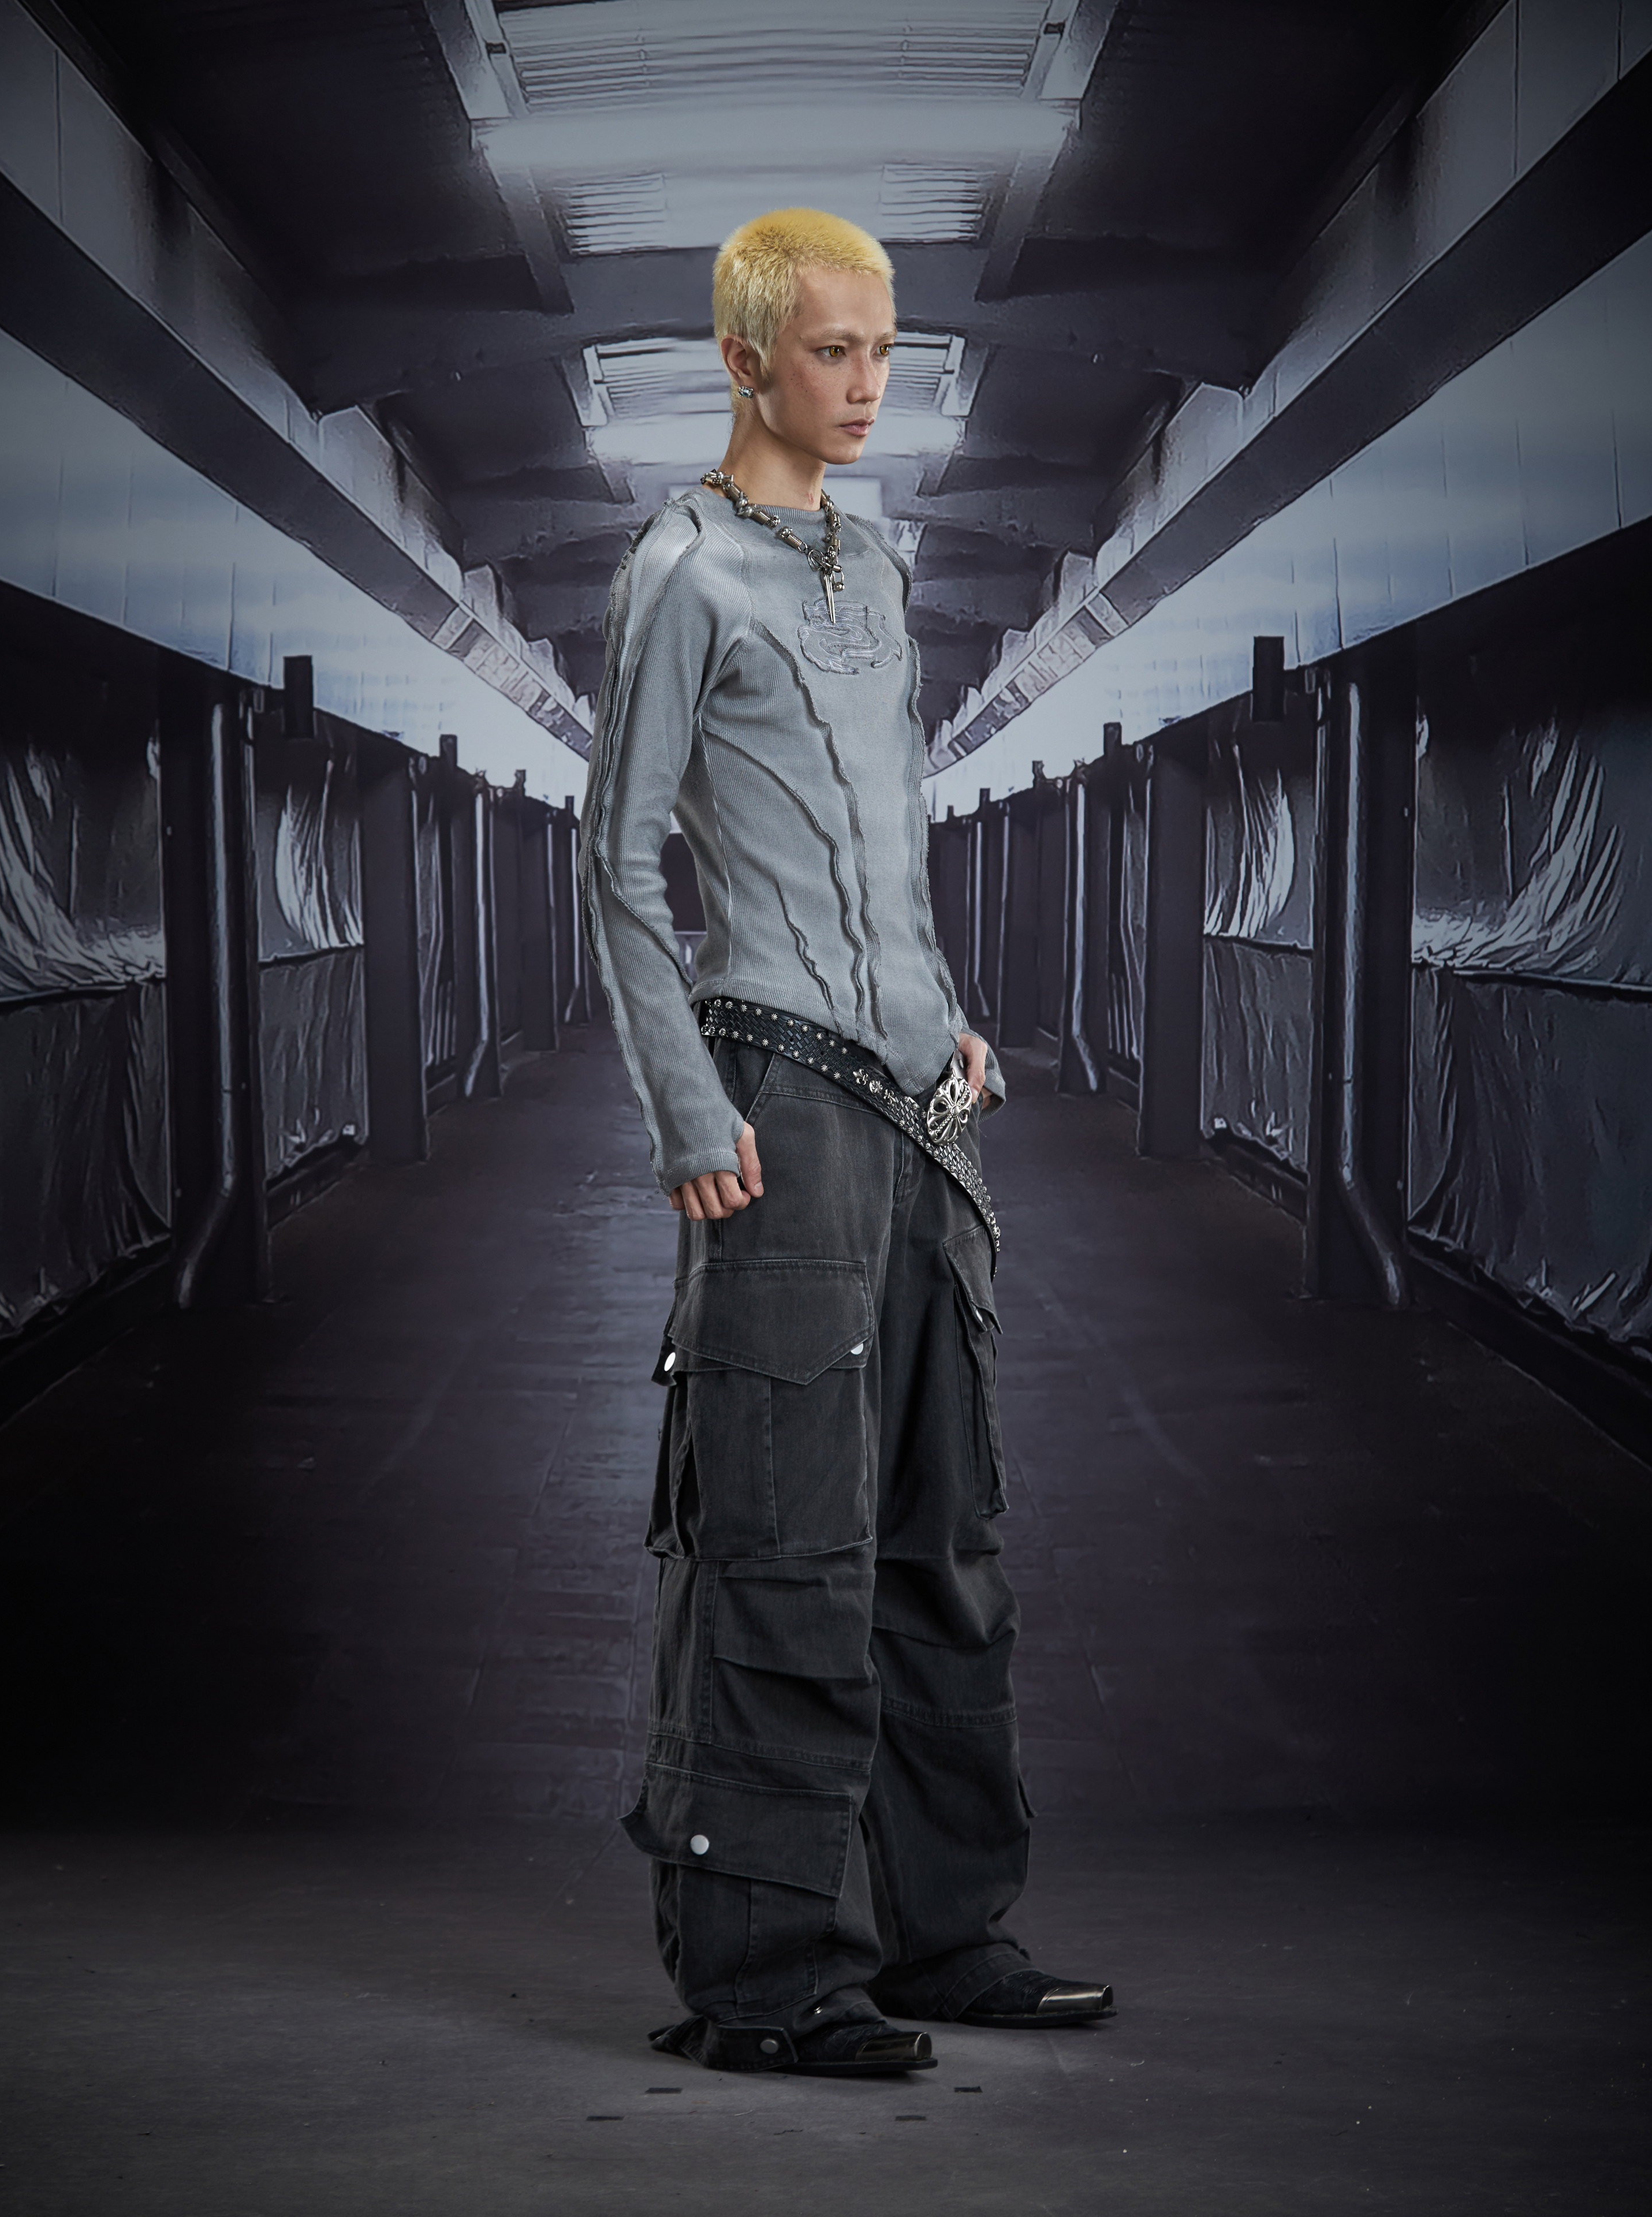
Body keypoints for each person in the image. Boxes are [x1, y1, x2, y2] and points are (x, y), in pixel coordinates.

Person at [580, 207, 1113, 2079]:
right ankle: (764, 1976)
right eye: (834, 351)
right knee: (782, 1534)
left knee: (941, 1535)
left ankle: (948, 1935)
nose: (869, 383)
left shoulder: (876, 566)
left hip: (918, 1104)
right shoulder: (680, 570)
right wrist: (684, 1106)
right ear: (744, 360)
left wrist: (949, 1013)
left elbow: (891, 837)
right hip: (776, 1099)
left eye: (886, 350)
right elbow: (617, 860)